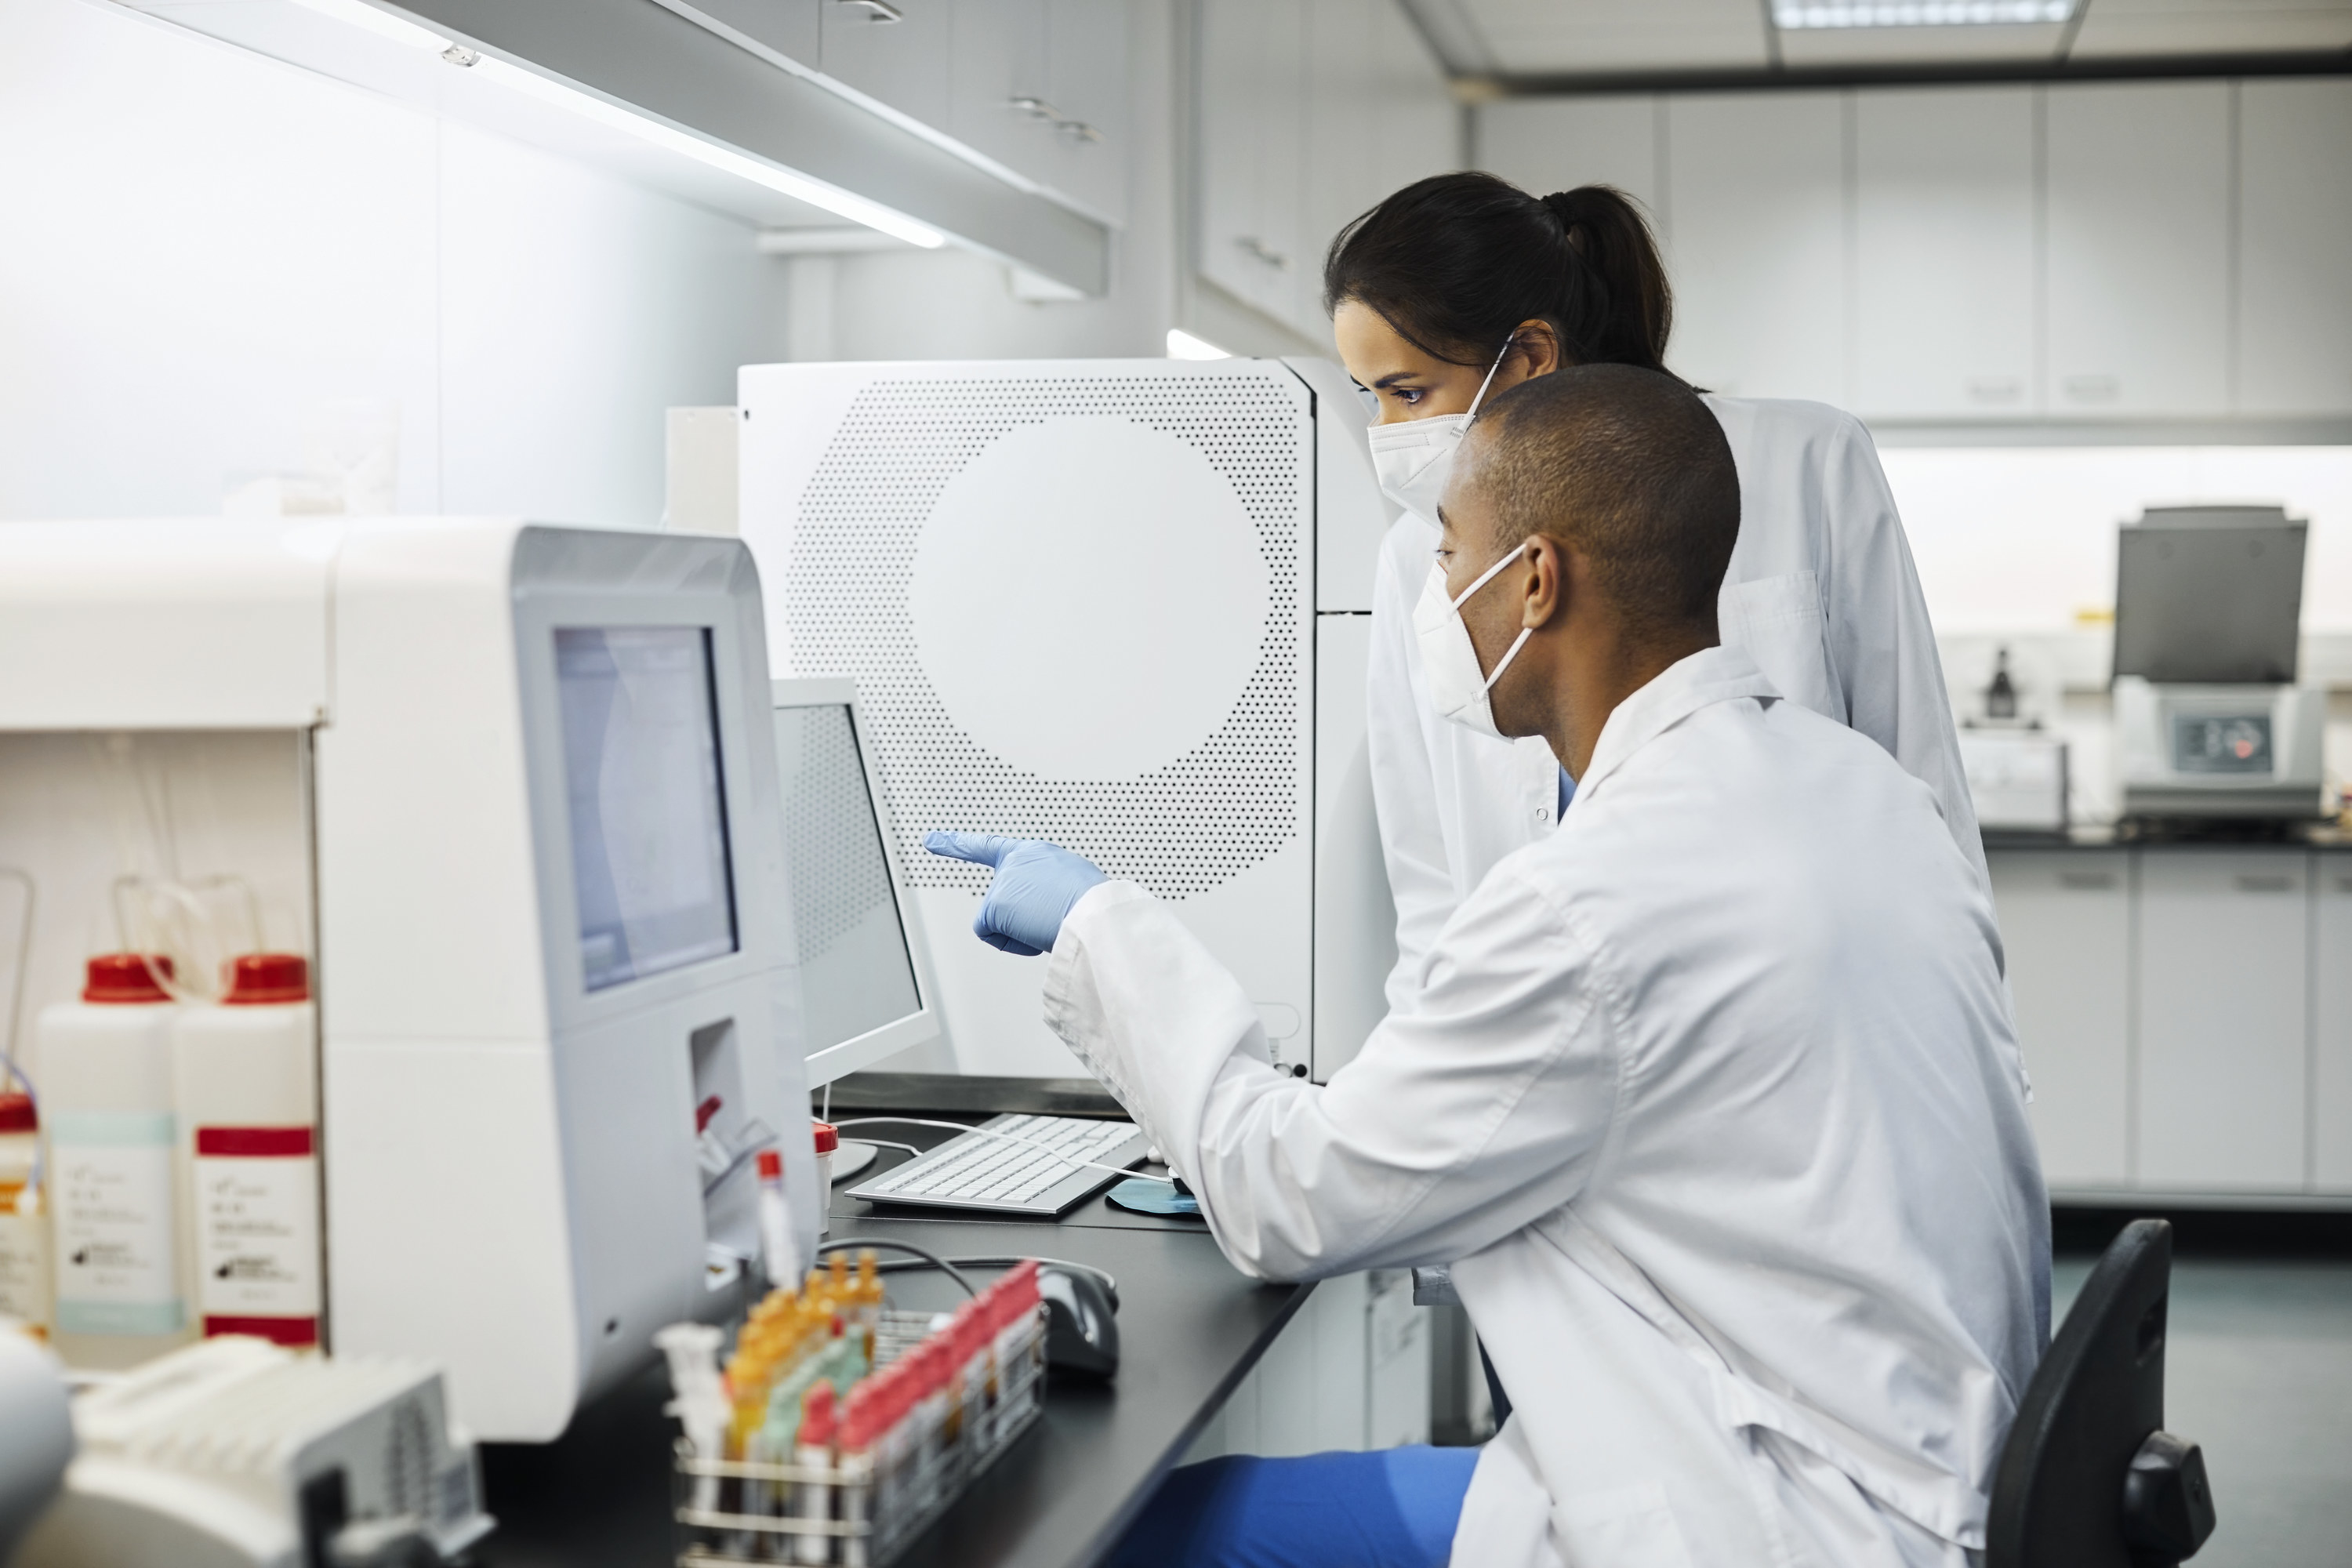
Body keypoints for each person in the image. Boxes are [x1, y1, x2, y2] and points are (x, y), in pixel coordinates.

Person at [928, 365, 2047, 1568]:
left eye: (1448, 553)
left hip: (1774, 1516)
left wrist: (1102, 923)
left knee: (1130, 1536)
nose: (1436, 595)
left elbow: (1288, 1197)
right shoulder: (1859, 792)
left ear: (1535, 580)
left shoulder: (1600, 895)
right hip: (1912, 1459)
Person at [1330, 172, 1985, 1016]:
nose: (1391, 437)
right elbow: (1427, 880)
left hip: (1791, 1016)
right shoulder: (1417, 551)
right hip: (1540, 1034)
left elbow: (1919, 779)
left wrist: (1967, 1037)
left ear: (1529, 359)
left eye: (1409, 393)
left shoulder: (1801, 460)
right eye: (1371, 398)